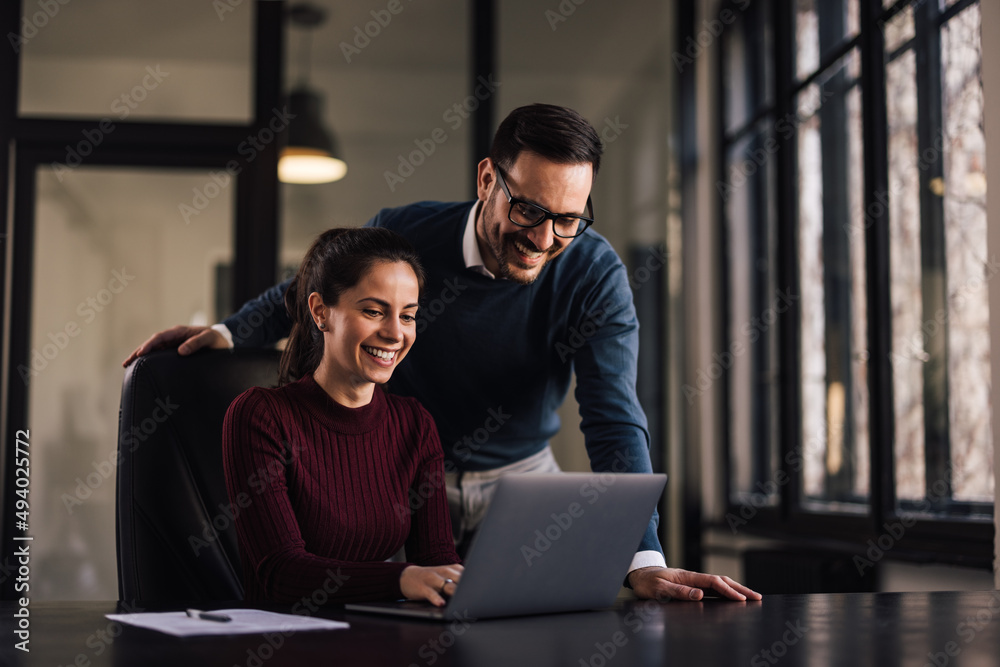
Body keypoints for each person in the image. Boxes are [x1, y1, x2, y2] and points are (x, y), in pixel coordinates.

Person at [129, 103, 760, 603]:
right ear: (488, 179)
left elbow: (614, 417)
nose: (545, 239)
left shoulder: (593, 274)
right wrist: (231, 331)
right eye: (529, 209)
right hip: (397, 474)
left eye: (569, 219)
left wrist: (641, 557)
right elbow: (322, 282)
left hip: (520, 481)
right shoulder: (409, 232)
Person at [222, 227, 462, 605]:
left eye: (408, 316)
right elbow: (280, 573)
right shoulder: (260, 416)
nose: (395, 333)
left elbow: (436, 562)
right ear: (321, 312)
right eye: (373, 311)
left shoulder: (415, 424)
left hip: (381, 641)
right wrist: (400, 579)